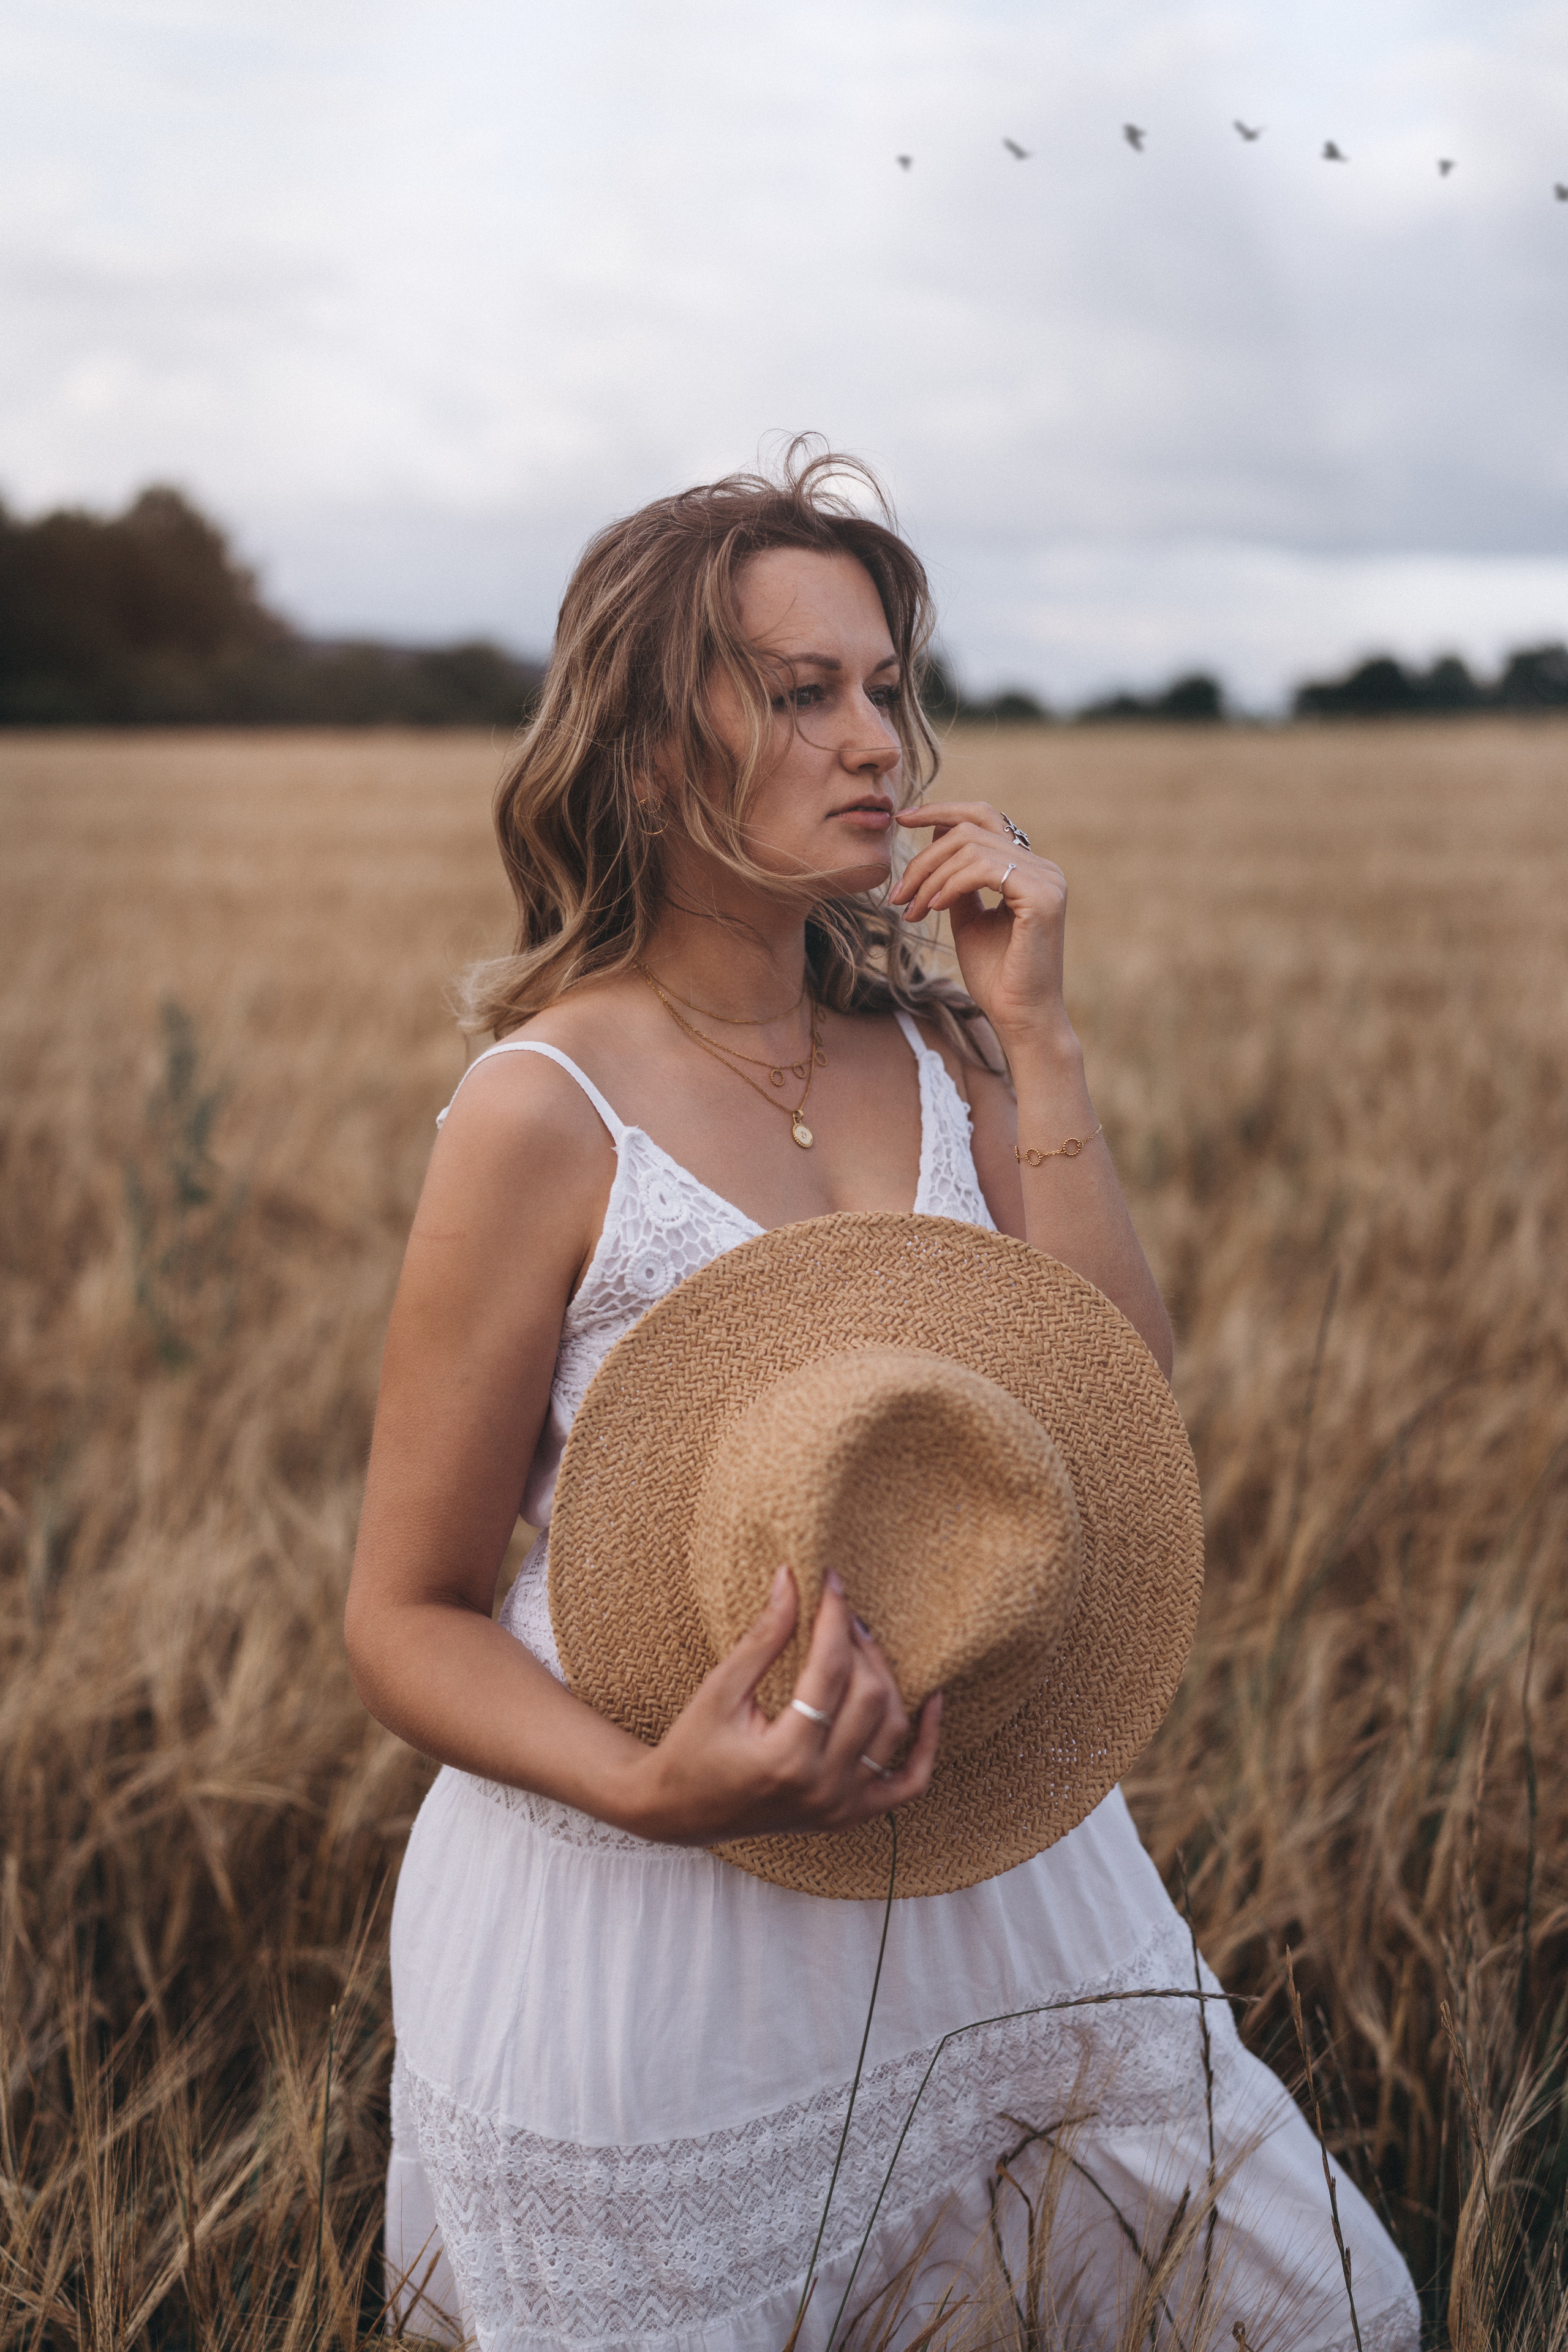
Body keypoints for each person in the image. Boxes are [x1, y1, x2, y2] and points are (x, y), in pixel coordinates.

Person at [345, 447, 1419, 2351]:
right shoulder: (544, 1110)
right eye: (801, 693)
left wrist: (1037, 1033)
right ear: (653, 755)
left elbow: (1115, 1414)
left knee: (1324, 2313)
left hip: (990, 1852)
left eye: (884, 688)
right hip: (652, 1924)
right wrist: (655, 1791)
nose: (876, 742)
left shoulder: (941, 1058)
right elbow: (402, 1612)